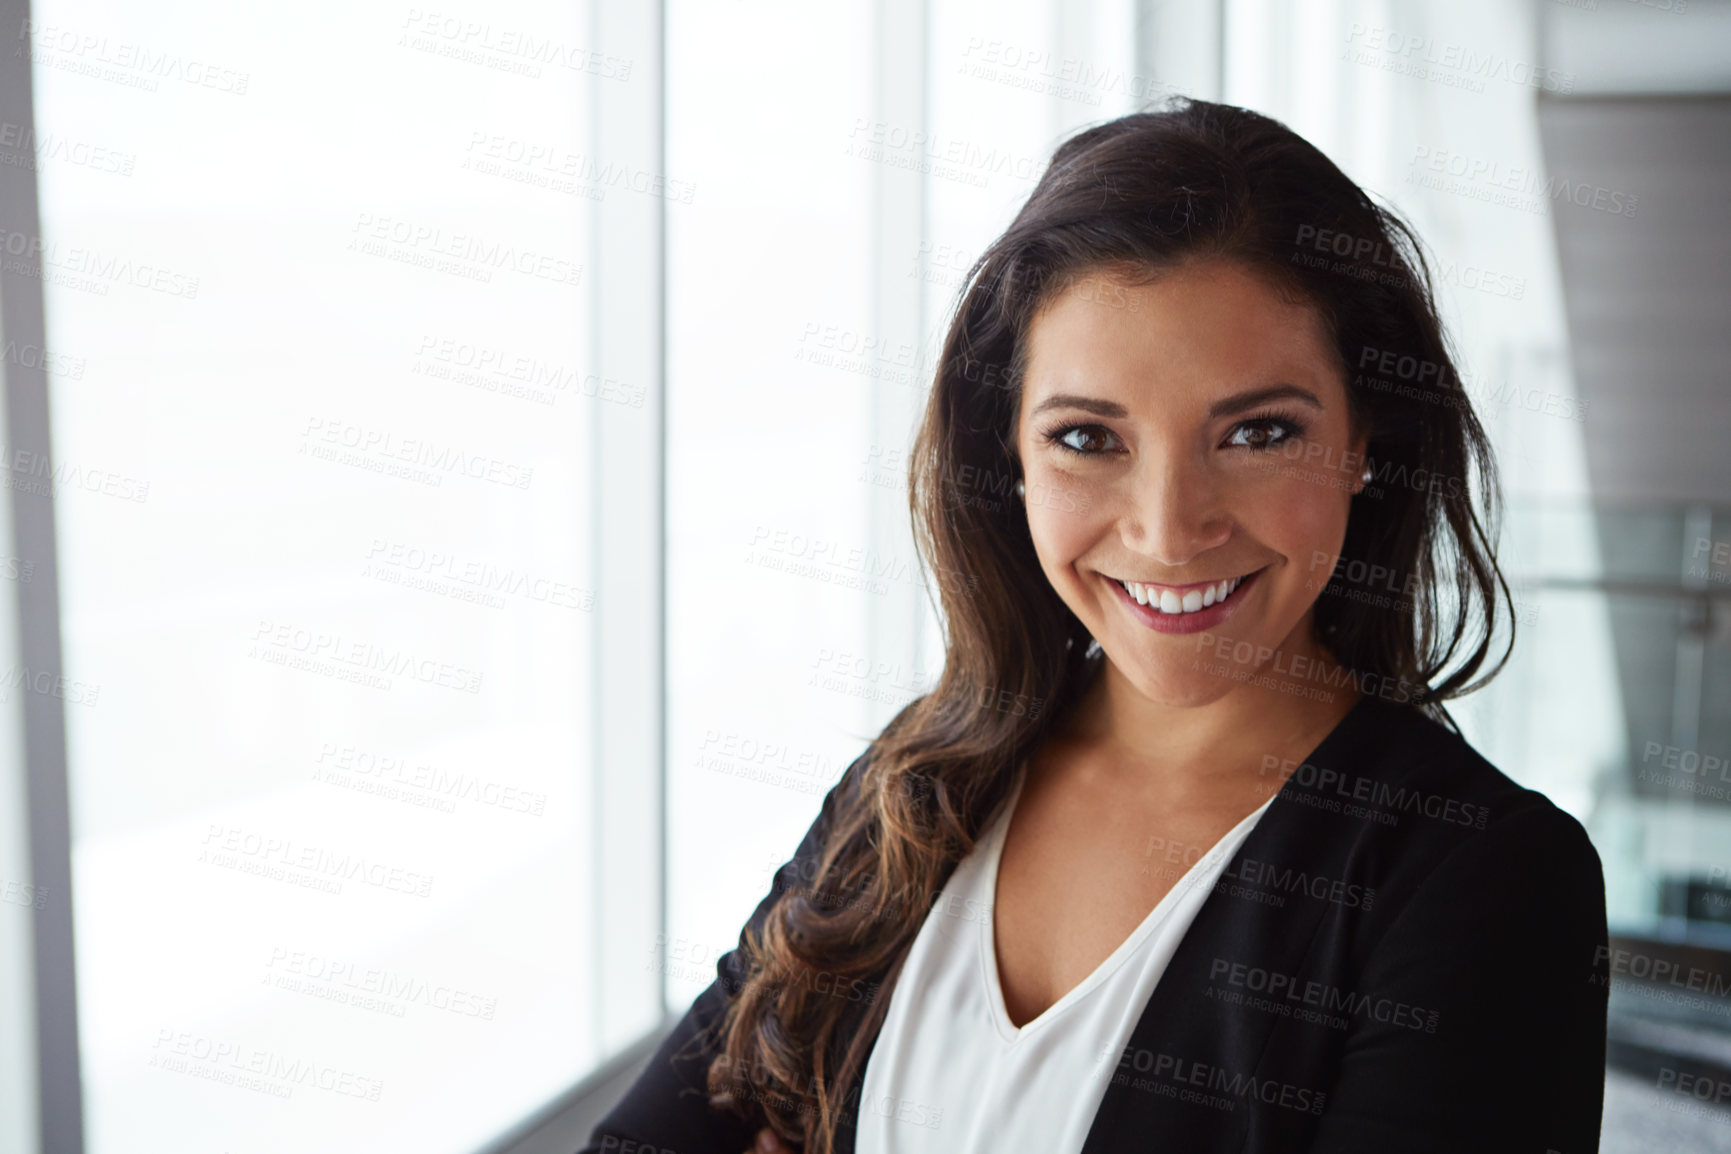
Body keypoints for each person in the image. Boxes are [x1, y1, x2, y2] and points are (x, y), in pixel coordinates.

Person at [581, 97, 1609, 1154]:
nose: (1170, 530)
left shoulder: (1488, 884)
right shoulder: (919, 779)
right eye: (1086, 436)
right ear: (1013, 461)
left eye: (1258, 431)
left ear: (1366, 441)